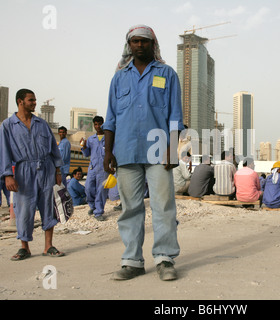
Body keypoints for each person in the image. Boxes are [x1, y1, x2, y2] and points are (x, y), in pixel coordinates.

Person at [103, 24, 185, 281]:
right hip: (126, 151)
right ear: (129, 45)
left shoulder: (167, 74)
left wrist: (172, 150)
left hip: (159, 151)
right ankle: (132, 261)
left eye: (144, 41)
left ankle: (164, 259)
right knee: (130, 208)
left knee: (163, 206)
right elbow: (111, 118)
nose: (139, 45)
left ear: (153, 44)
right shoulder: (119, 77)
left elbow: (175, 116)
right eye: (135, 41)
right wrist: (108, 152)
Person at [0, 88, 65, 261]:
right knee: (24, 210)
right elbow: (4, 152)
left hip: (46, 169)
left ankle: (48, 246)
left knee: (48, 207)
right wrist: (7, 175)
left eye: (34, 100)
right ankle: (24, 247)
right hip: (23, 172)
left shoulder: (42, 124)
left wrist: (58, 171)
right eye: (31, 100)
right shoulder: (8, 125)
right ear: (20, 102)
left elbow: (53, 149)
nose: (35, 103)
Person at [81, 116, 108, 221]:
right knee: (88, 188)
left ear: (103, 124)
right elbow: (86, 154)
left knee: (101, 191)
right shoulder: (91, 139)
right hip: (92, 168)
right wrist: (83, 147)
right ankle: (93, 207)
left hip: (103, 168)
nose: (98, 126)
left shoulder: (108, 138)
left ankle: (99, 212)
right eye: (96, 124)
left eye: (100, 124)